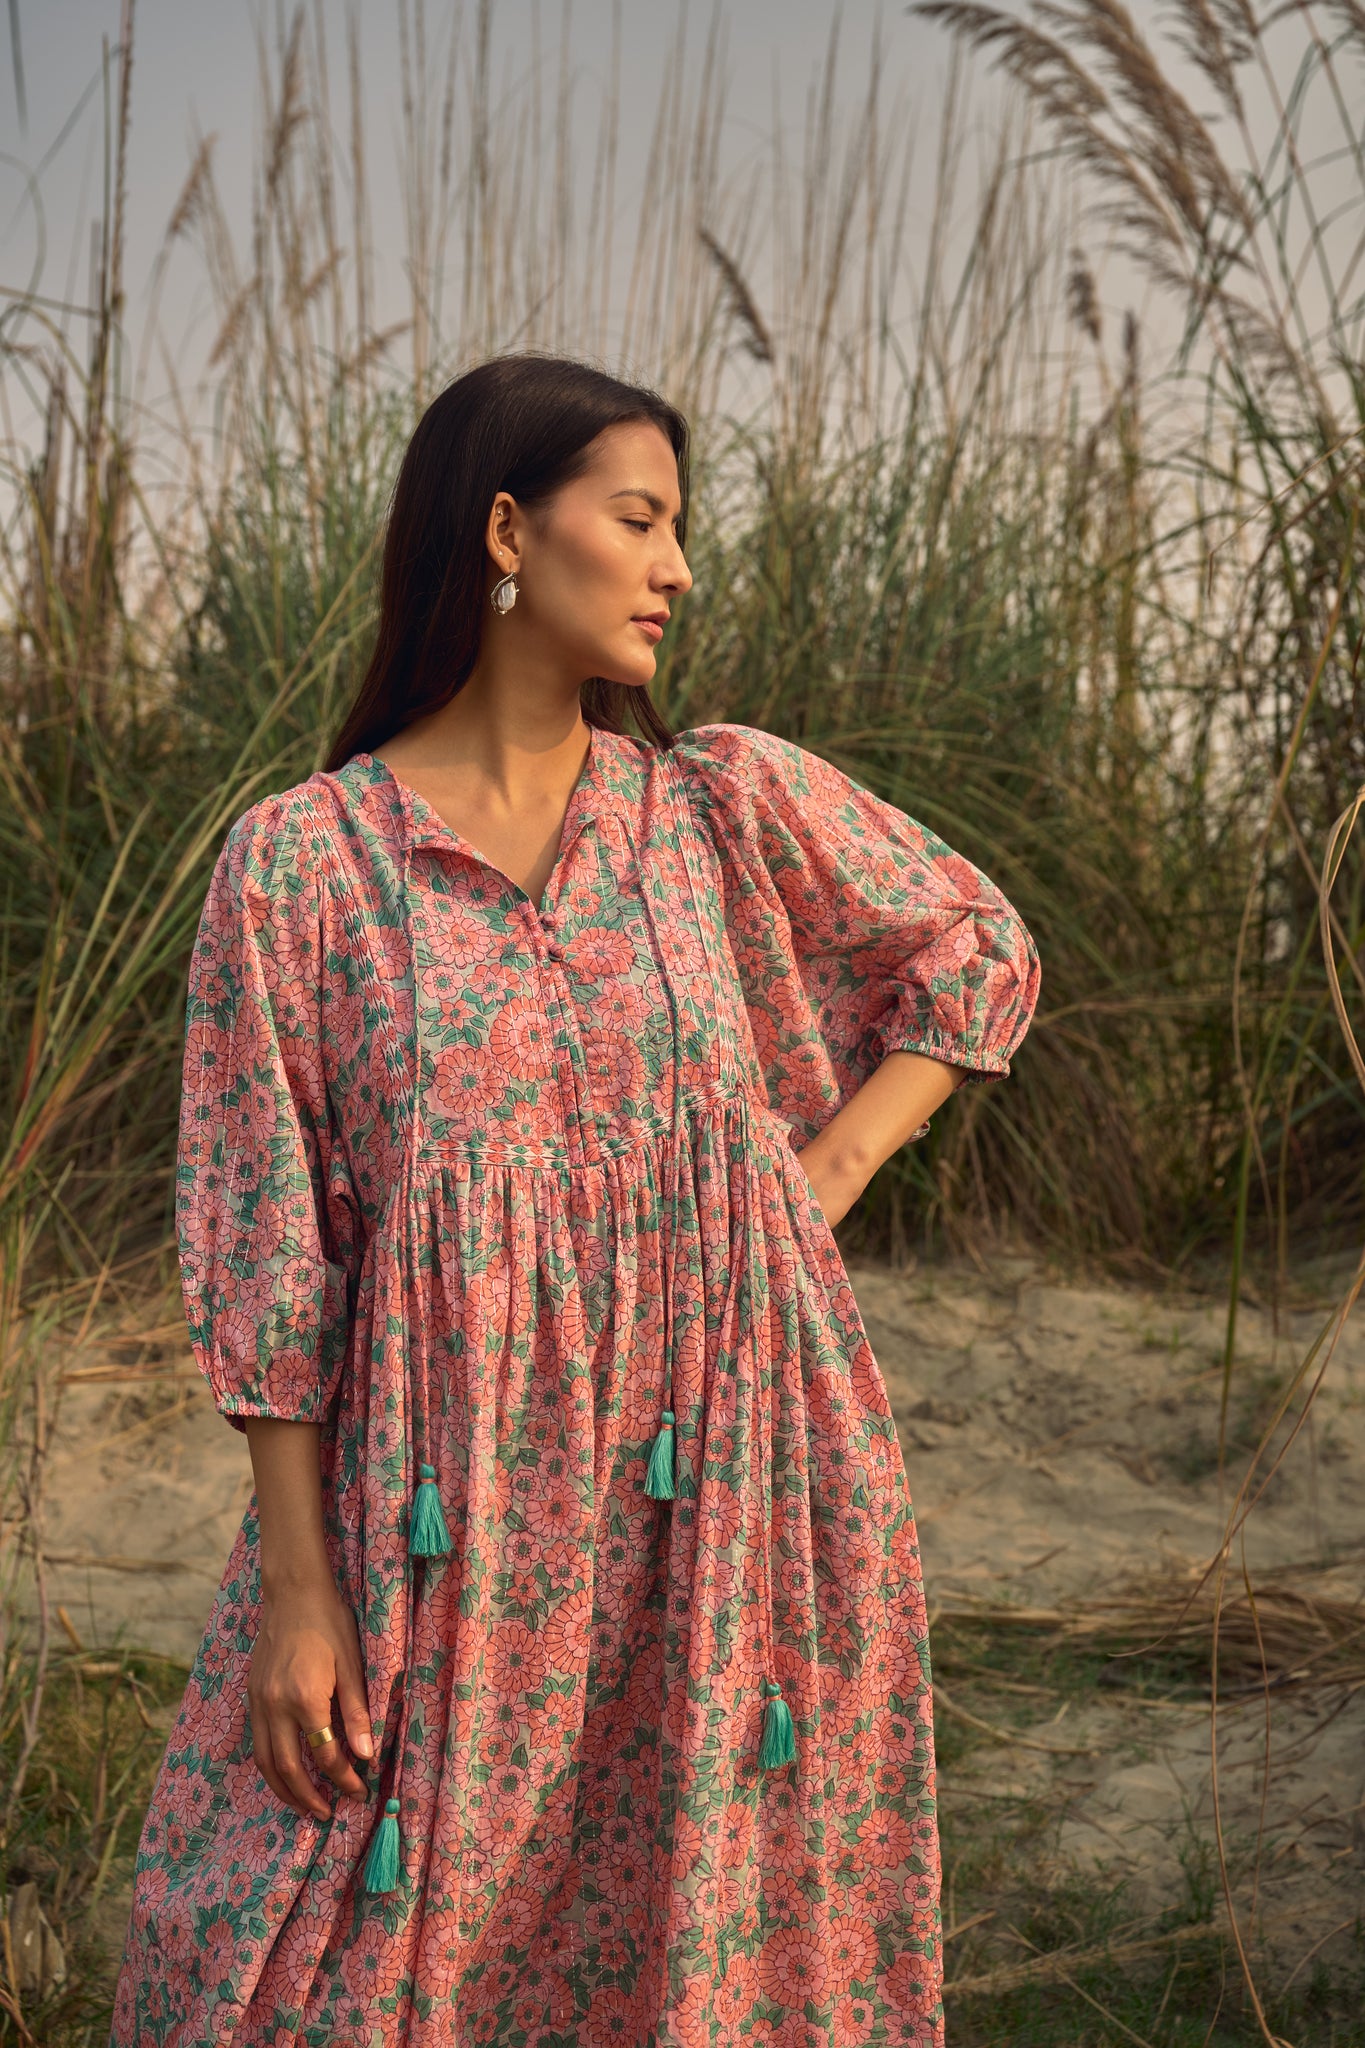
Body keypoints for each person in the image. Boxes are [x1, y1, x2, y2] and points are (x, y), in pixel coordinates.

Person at [109, 352, 1041, 2048]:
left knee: (701, 1914)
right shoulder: (305, 866)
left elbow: (974, 946)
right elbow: (270, 1254)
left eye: (679, 528)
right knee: (304, 1933)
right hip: (444, 1507)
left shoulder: (712, 812)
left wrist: (816, 1176)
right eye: (639, 518)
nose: (675, 567)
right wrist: (302, 1593)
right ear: (505, 532)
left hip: (730, 1479)